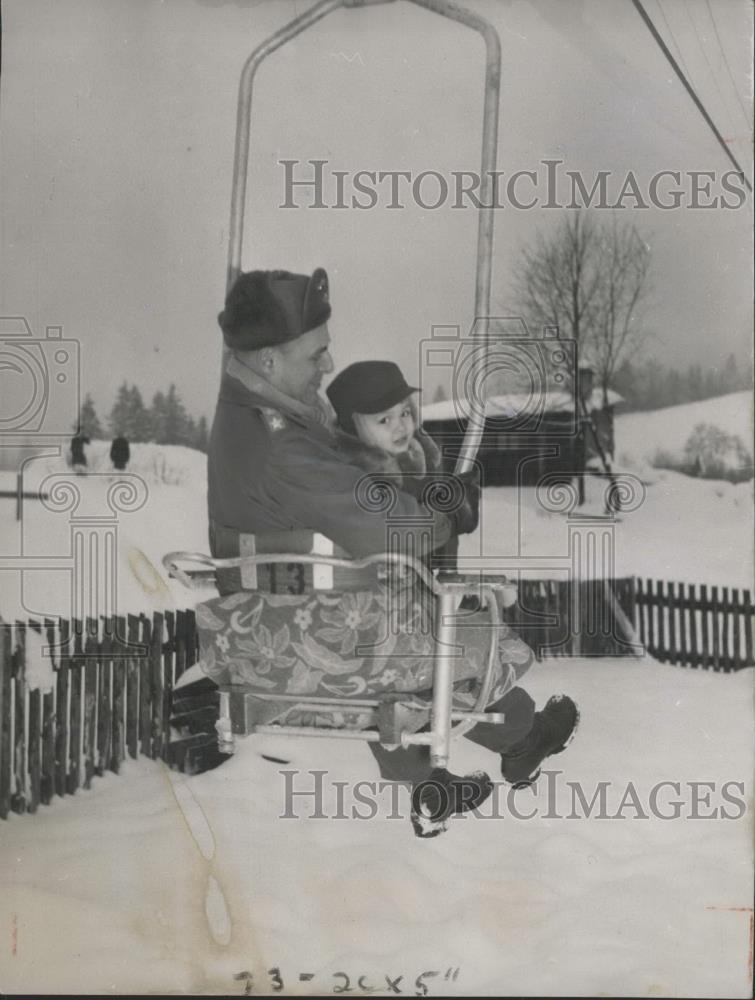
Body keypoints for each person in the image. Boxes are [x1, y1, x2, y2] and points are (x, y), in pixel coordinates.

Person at [206, 268, 578, 836]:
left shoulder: (256, 418)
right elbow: (388, 525)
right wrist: (448, 511)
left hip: (291, 612)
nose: (327, 366)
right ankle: (515, 739)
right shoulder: (280, 443)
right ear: (268, 361)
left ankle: (511, 742)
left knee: (442, 622)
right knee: (466, 628)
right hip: (307, 630)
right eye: (316, 355)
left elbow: (359, 492)